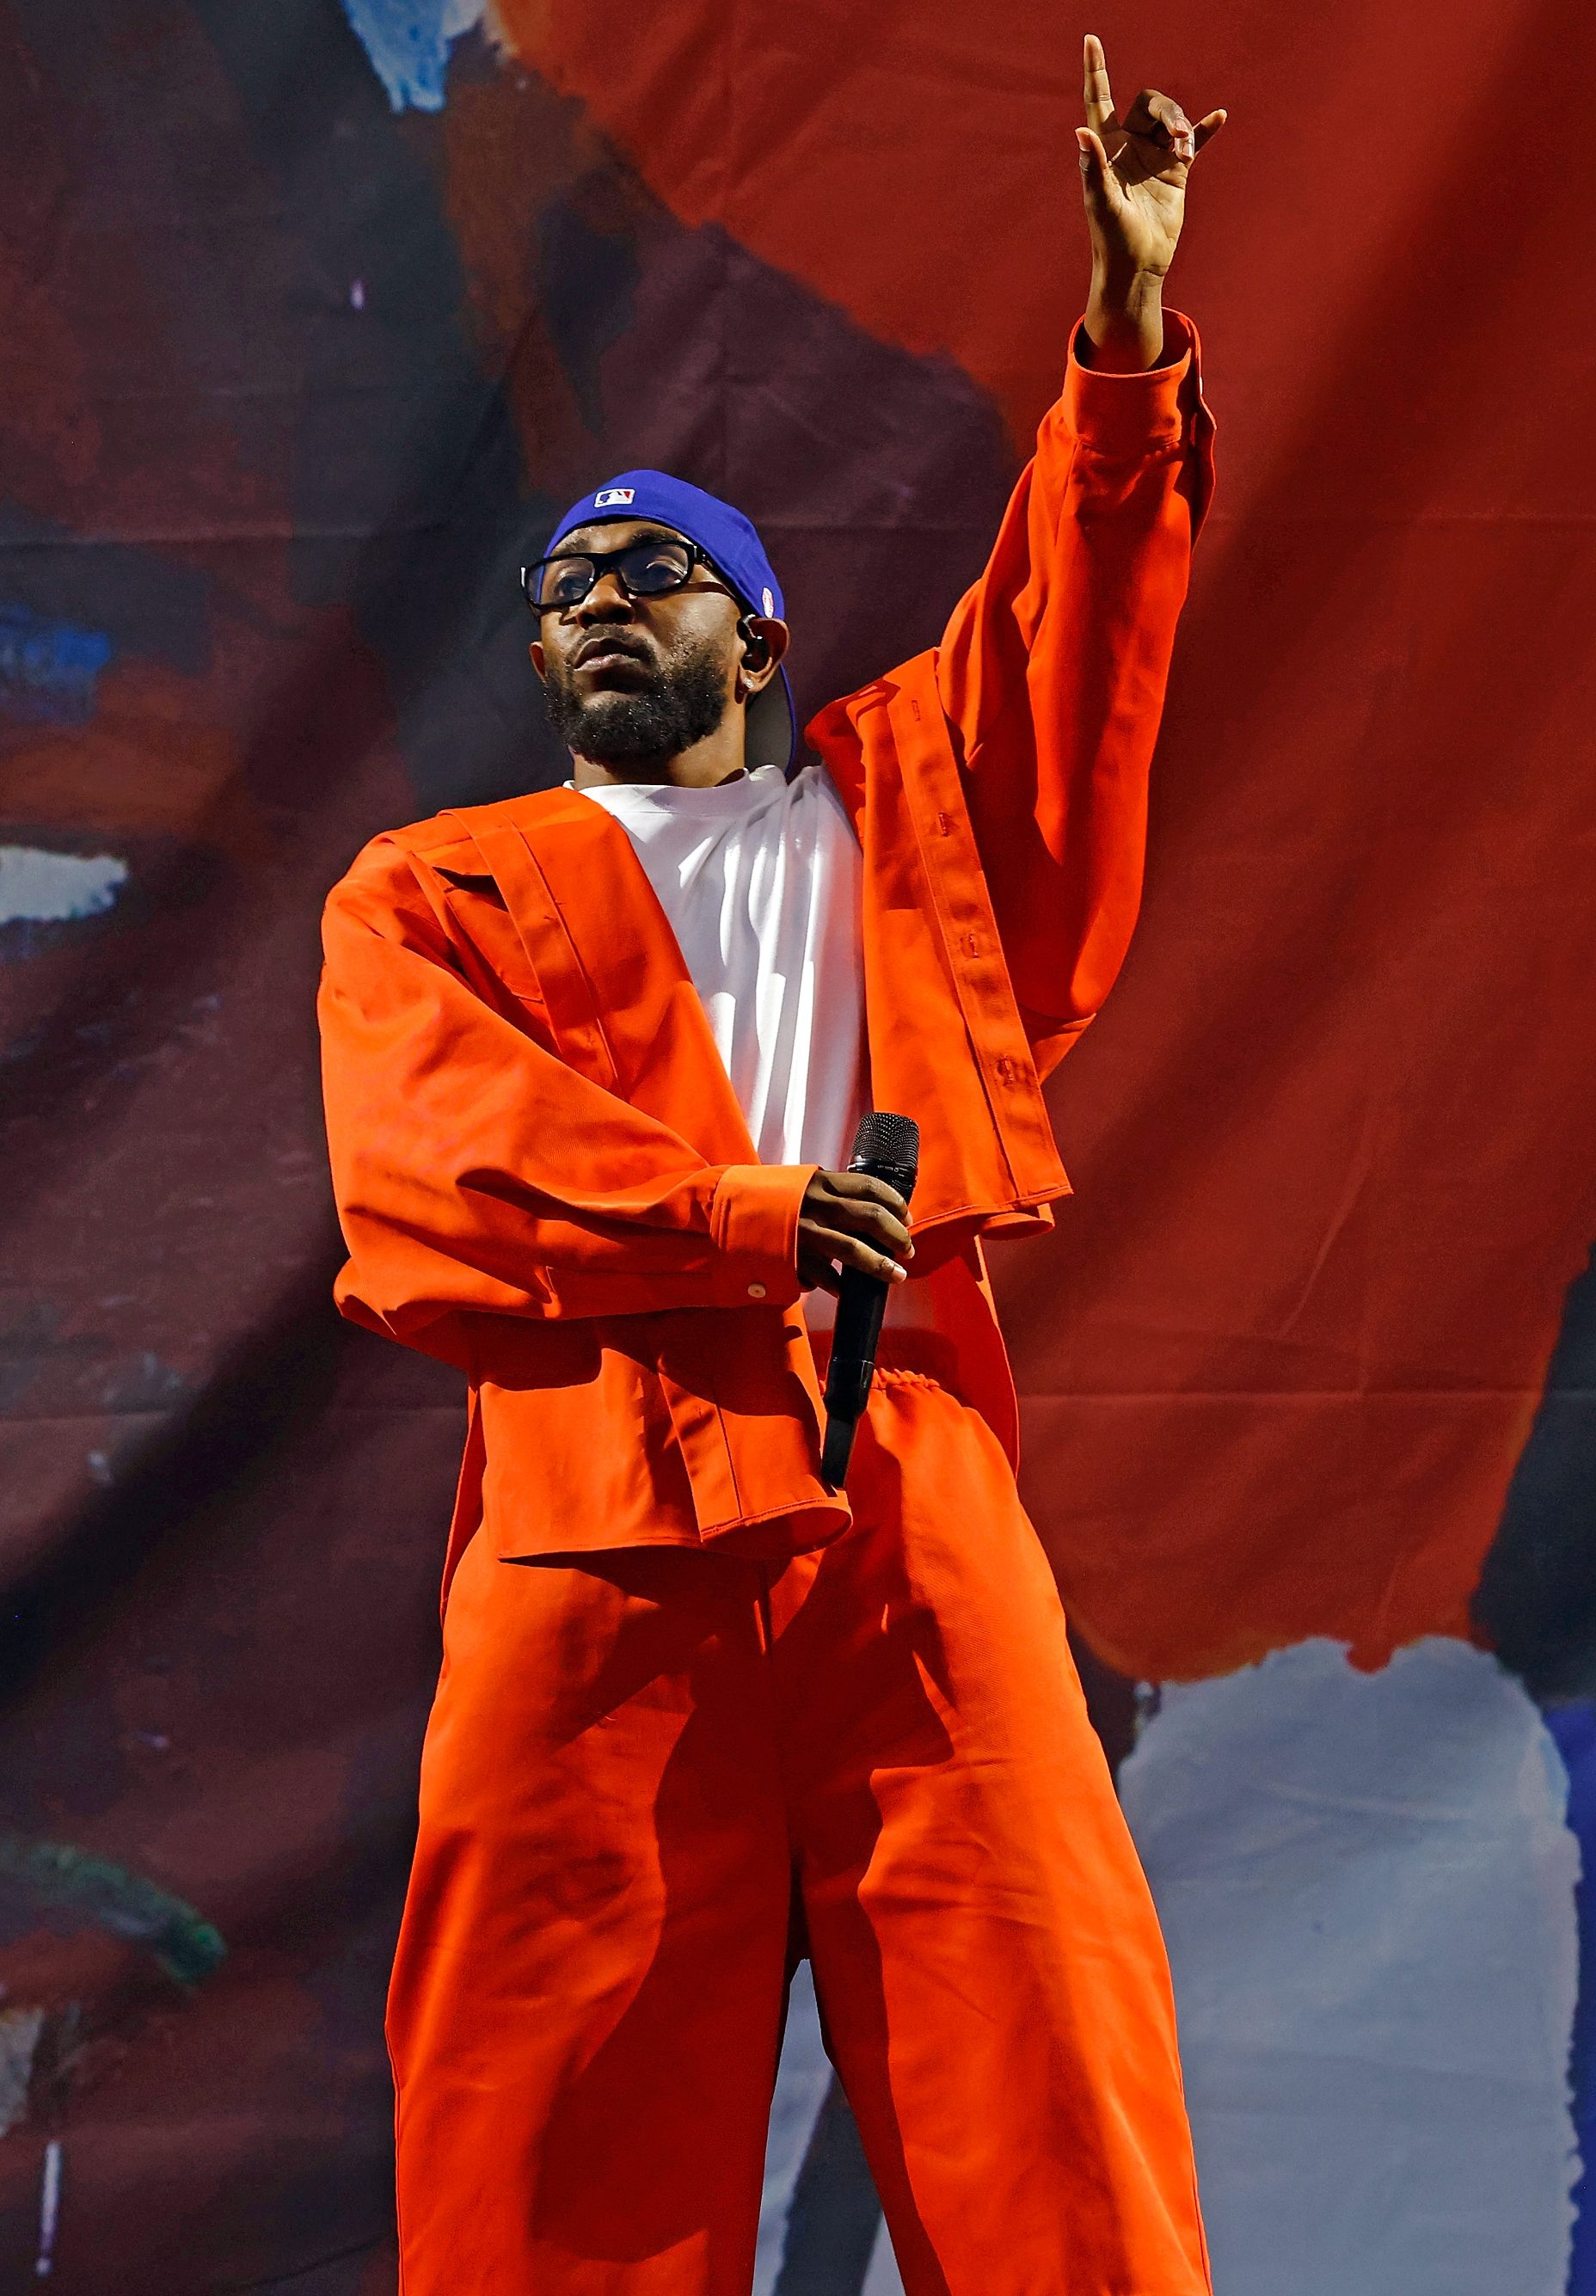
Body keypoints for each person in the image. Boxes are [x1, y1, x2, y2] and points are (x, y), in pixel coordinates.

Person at [319, 35, 1224, 2296]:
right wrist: (735, 1211)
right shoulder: (439, 888)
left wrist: (1118, 349)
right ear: (539, 658)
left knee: (1056, 2129)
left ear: (764, 632)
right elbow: (441, 1157)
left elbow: (1074, 648)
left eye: (661, 571)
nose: (609, 601)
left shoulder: (892, 807)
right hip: (594, 1536)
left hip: (903, 1498)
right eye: (571, 589)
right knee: (551, 2163)